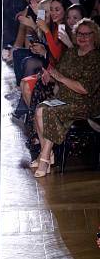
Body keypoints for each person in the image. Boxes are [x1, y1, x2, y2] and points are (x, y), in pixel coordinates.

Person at [33, 18, 100, 177]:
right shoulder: (71, 53)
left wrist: (61, 79)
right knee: (40, 109)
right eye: (79, 34)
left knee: (49, 112)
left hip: (85, 103)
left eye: (87, 34)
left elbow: (85, 89)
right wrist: (50, 76)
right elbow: (59, 73)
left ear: (94, 36)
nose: (82, 37)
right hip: (64, 97)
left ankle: (44, 159)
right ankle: (48, 155)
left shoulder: (95, 58)